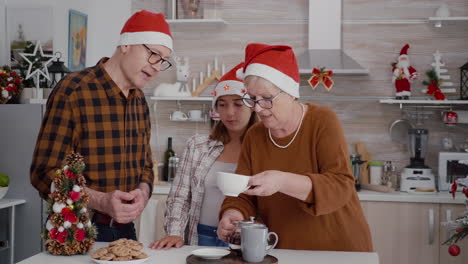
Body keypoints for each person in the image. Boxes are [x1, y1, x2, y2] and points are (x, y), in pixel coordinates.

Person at [30, 10, 173, 242]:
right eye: (154, 54)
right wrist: (100, 201)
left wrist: (143, 194)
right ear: (126, 44)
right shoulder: (74, 91)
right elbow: (43, 174)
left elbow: (146, 166)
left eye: (163, 60)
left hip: (126, 231)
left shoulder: (139, 99)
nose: (157, 67)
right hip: (75, 230)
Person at [217, 43, 373, 252]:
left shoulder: (322, 121)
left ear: (290, 93)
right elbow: (244, 192)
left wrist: (282, 180)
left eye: (267, 99)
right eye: (252, 99)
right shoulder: (255, 136)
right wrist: (234, 213)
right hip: (284, 250)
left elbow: (340, 186)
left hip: (337, 248)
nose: (257, 108)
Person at [149, 63, 256, 249]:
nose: (230, 112)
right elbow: (179, 197)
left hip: (244, 239)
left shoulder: (263, 148)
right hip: (200, 236)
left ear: (253, 106)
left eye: (238, 104)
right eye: (222, 105)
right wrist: (174, 233)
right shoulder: (198, 145)